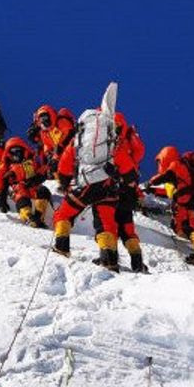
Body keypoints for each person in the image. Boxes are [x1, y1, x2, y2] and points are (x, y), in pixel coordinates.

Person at [51, 108, 121, 270]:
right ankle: (109, 260)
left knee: (64, 213)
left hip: (87, 184)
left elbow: (64, 165)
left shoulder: (78, 141)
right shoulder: (112, 141)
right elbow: (125, 164)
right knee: (106, 222)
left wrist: (65, 183)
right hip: (109, 188)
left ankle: (61, 248)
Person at [95, 112, 148, 272]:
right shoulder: (127, 143)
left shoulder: (108, 143)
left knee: (105, 224)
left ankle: (108, 258)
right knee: (127, 228)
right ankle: (137, 262)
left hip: (109, 188)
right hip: (128, 191)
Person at [145, 146, 194, 266]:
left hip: (182, 201)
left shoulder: (176, 165)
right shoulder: (183, 168)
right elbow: (171, 191)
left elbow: (164, 177)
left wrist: (150, 182)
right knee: (191, 226)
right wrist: (154, 191)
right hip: (189, 199)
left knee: (187, 227)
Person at [0, 137, 52, 227]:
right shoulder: (6, 166)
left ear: (24, 150)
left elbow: (43, 169)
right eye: (12, 151)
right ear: (8, 154)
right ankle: (27, 215)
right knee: (21, 194)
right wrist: (0, 194)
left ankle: (39, 217)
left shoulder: (31, 162)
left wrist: (40, 177)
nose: (16, 154)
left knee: (43, 191)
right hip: (17, 186)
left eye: (18, 150)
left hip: (32, 184)